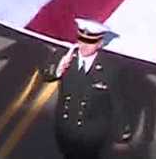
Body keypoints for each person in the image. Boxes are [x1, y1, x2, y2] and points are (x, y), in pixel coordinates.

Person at [43, 18, 133, 159]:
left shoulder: (111, 68)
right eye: (81, 40)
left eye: (90, 42)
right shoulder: (65, 56)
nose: (84, 46)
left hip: (91, 134)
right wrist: (59, 69)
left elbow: (118, 104)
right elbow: (45, 75)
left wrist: (122, 136)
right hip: (65, 127)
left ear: (100, 43)